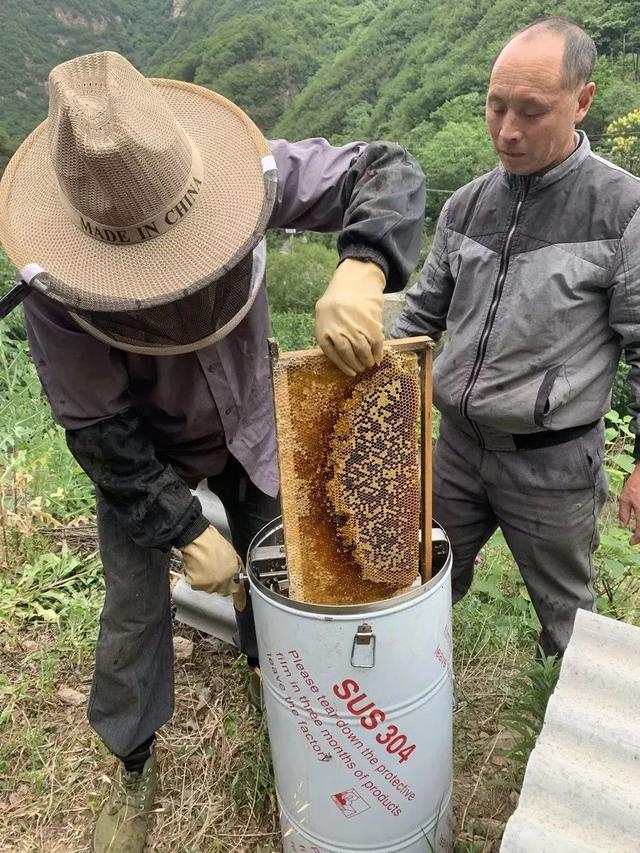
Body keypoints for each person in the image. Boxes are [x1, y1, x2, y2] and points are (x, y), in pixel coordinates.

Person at [0, 51, 425, 852]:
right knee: (134, 611)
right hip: (148, 452)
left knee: (288, 576)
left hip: (255, 423)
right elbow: (101, 431)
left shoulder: (248, 175)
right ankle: (132, 757)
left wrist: (366, 267)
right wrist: (183, 531)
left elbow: (388, 168)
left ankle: (286, 688)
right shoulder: (55, 282)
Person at [393, 17, 640, 659]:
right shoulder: (468, 205)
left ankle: (560, 735)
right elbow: (421, 316)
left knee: (570, 628)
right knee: (418, 589)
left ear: (582, 100)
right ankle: (409, 711)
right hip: (455, 453)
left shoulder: (623, 211)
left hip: (553, 464)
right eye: (496, 106)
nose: (507, 130)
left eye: (532, 111)